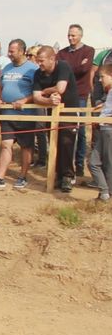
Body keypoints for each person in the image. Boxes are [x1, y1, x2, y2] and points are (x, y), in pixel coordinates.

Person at [0, 39, 38, 189]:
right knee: (6, 144)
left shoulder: (32, 69)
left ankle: (23, 176)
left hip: (25, 115)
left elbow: (38, 92)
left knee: (26, 146)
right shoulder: (6, 68)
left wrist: (25, 100)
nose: (9, 54)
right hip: (7, 114)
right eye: (9, 51)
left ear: (21, 51)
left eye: (12, 51)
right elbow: (0, 85)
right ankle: (0, 178)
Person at [33, 45, 80, 193]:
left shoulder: (63, 67)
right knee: (54, 143)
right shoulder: (38, 74)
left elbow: (61, 88)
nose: (39, 64)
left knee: (67, 142)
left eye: (41, 61)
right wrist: (48, 101)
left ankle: (67, 176)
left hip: (69, 112)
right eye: (37, 61)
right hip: (51, 112)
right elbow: (36, 96)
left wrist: (46, 91)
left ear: (52, 59)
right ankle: (57, 175)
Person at [56, 24, 95, 177]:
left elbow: (84, 70)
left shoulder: (88, 50)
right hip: (63, 96)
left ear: (80, 36)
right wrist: (74, 68)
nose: (71, 38)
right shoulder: (62, 52)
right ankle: (64, 166)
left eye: (74, 35)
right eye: (69, 35)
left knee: (80, 130)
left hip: (80, 95)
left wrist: (67, 69)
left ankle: (79, 164)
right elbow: (62, 69)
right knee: (63, 130)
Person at [88, 64, 112, 202]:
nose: (100, 80)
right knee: (93, 162)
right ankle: (104, 192)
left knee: (108, 163)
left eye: (103, 77)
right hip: (104, 129)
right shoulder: (109, 93)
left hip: (109, 130)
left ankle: (106, 194)